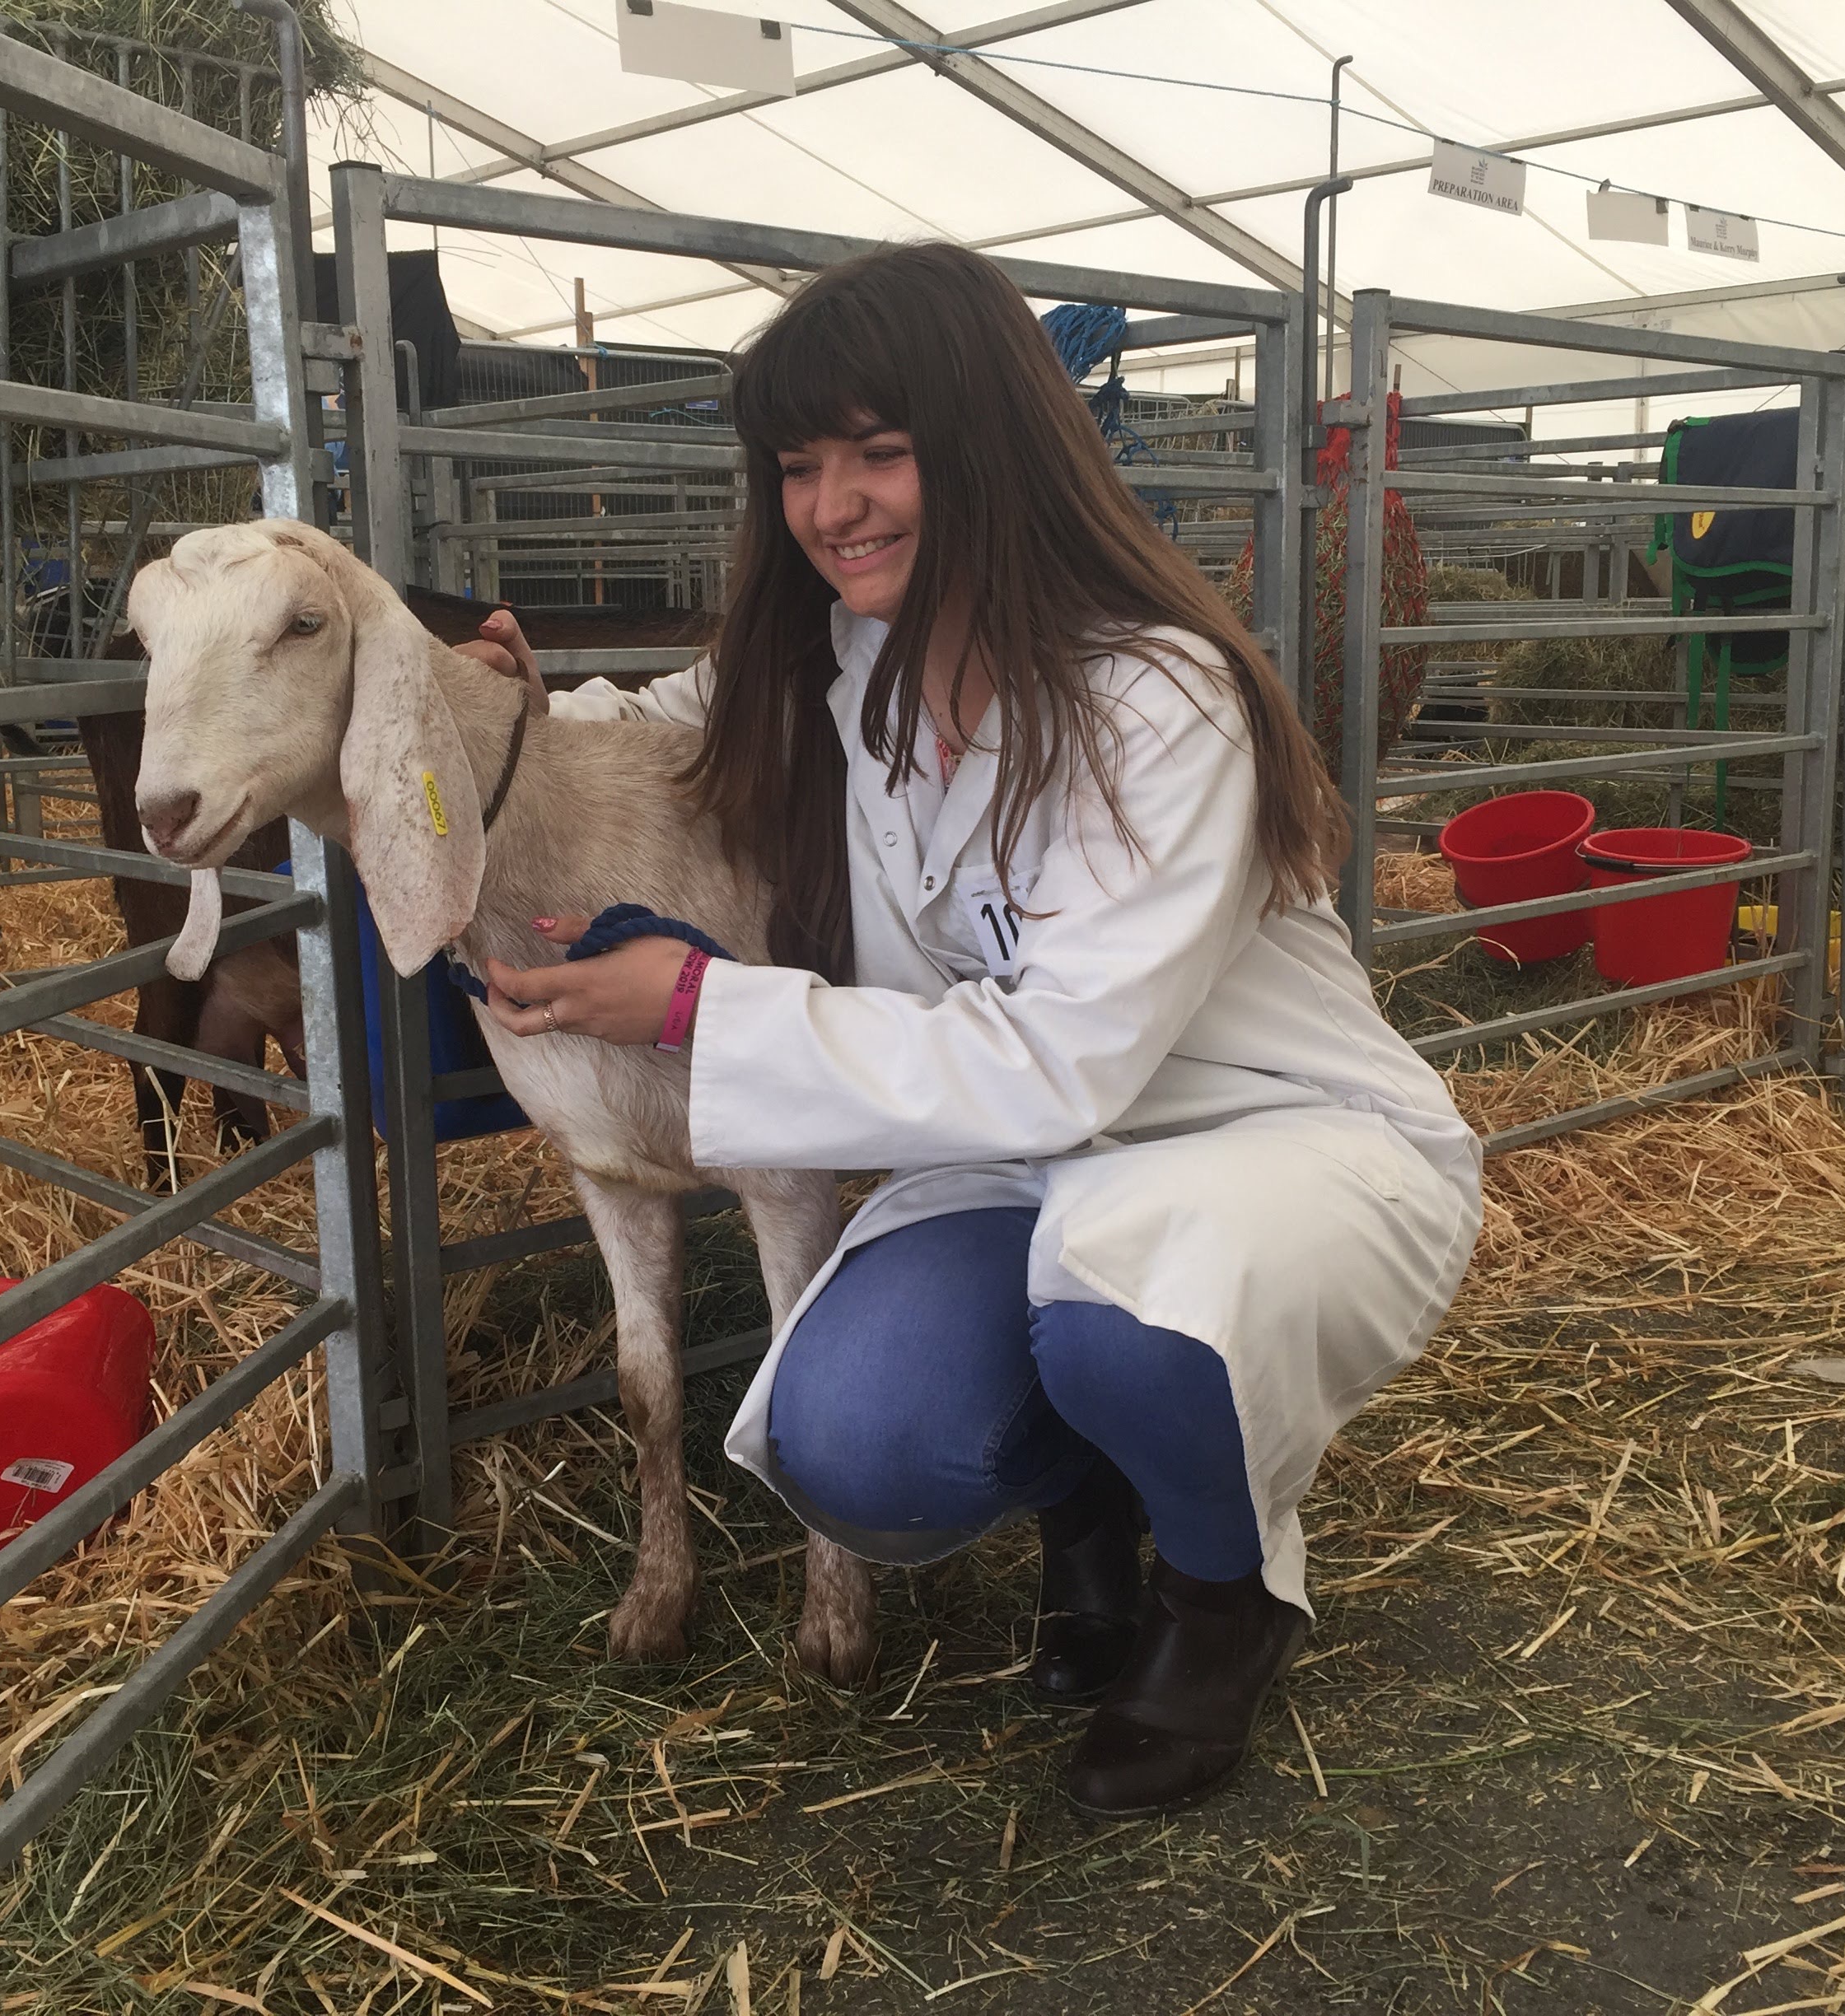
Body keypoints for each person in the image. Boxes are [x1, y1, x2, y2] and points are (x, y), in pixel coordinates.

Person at [469, 243, 1483, 1818]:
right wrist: (504, 714)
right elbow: (662, 720)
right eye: (801, 465)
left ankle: (1223, 1600)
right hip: (1012, 1153)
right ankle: (1084, 1499)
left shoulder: (1160, 698)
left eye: (881, 451)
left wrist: (696, 1007)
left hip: (1250, 1130)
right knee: (859, 1440)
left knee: (1127, 1316)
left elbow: (1065, 1055)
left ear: (992, 441)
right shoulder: (837, 650)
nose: (834, 505)